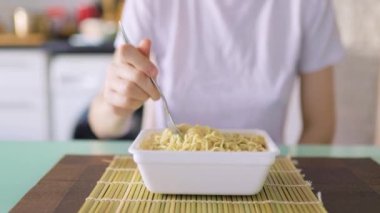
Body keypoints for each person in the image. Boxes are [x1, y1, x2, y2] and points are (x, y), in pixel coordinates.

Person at [88, 0, 344, 144]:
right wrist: (117, 105)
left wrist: (294, 183)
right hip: (170, 177)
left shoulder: (309, 5)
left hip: (262, 182)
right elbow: (101, 124)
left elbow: (320, 125)